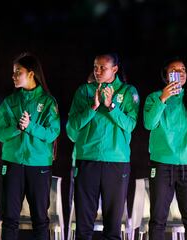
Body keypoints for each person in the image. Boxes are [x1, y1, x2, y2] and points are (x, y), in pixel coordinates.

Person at [66, 53, 139, 240]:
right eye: (95, 67)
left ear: (114, 69)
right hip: (87, 160)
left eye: (103, 68)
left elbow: (131, 125)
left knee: (113, 226)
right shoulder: (84, 91)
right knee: (83, 225)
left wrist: (111, 106)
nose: (97, 71)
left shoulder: (127, 92)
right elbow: (71, 130)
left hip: (116, 162)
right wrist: (93, 107)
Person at [0, 52, 60, 240]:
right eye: (13, 72)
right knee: (9, 219)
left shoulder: (48, 102)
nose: (13, 76)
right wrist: (18, 127)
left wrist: (30, 127)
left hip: (38, 165)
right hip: (13, 162)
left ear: (31, 74)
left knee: (40, 219)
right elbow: (0, 133)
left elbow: (52, 133)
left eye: (18, 72)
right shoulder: (9, 102)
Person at [143, 57, 187, 240]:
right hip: (162, 164)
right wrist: (163, 98)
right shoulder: (154, 97)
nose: (180, 74)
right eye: (174, 70)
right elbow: (149, 123)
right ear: (166, 75)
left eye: (183, 70)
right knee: (157, 220)